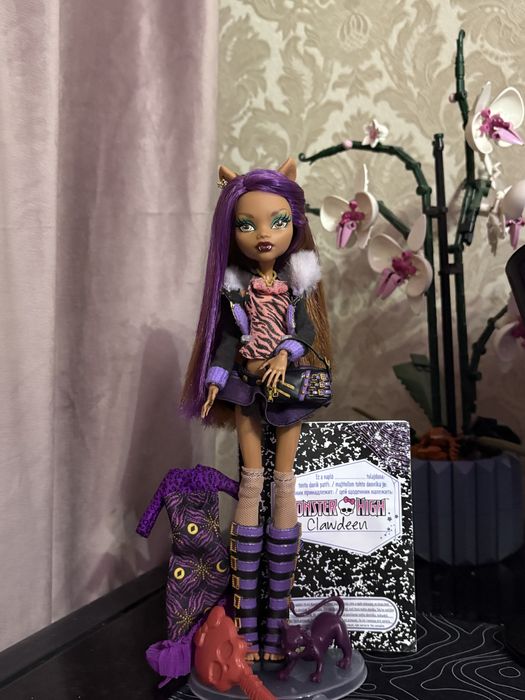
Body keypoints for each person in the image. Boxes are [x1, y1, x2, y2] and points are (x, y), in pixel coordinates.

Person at [181, 158, 331, 661]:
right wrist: (213, 382)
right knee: (252, 482)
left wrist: (285, 353)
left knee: (284, 484)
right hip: (247, 389)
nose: (264, 234)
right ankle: (247, 630)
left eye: (277, 221)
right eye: (247, 225)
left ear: (295, 224)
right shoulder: (234, 290)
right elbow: (226, 343)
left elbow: (305, 332)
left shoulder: (298, 283)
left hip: (287, 390)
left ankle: (276, 628)